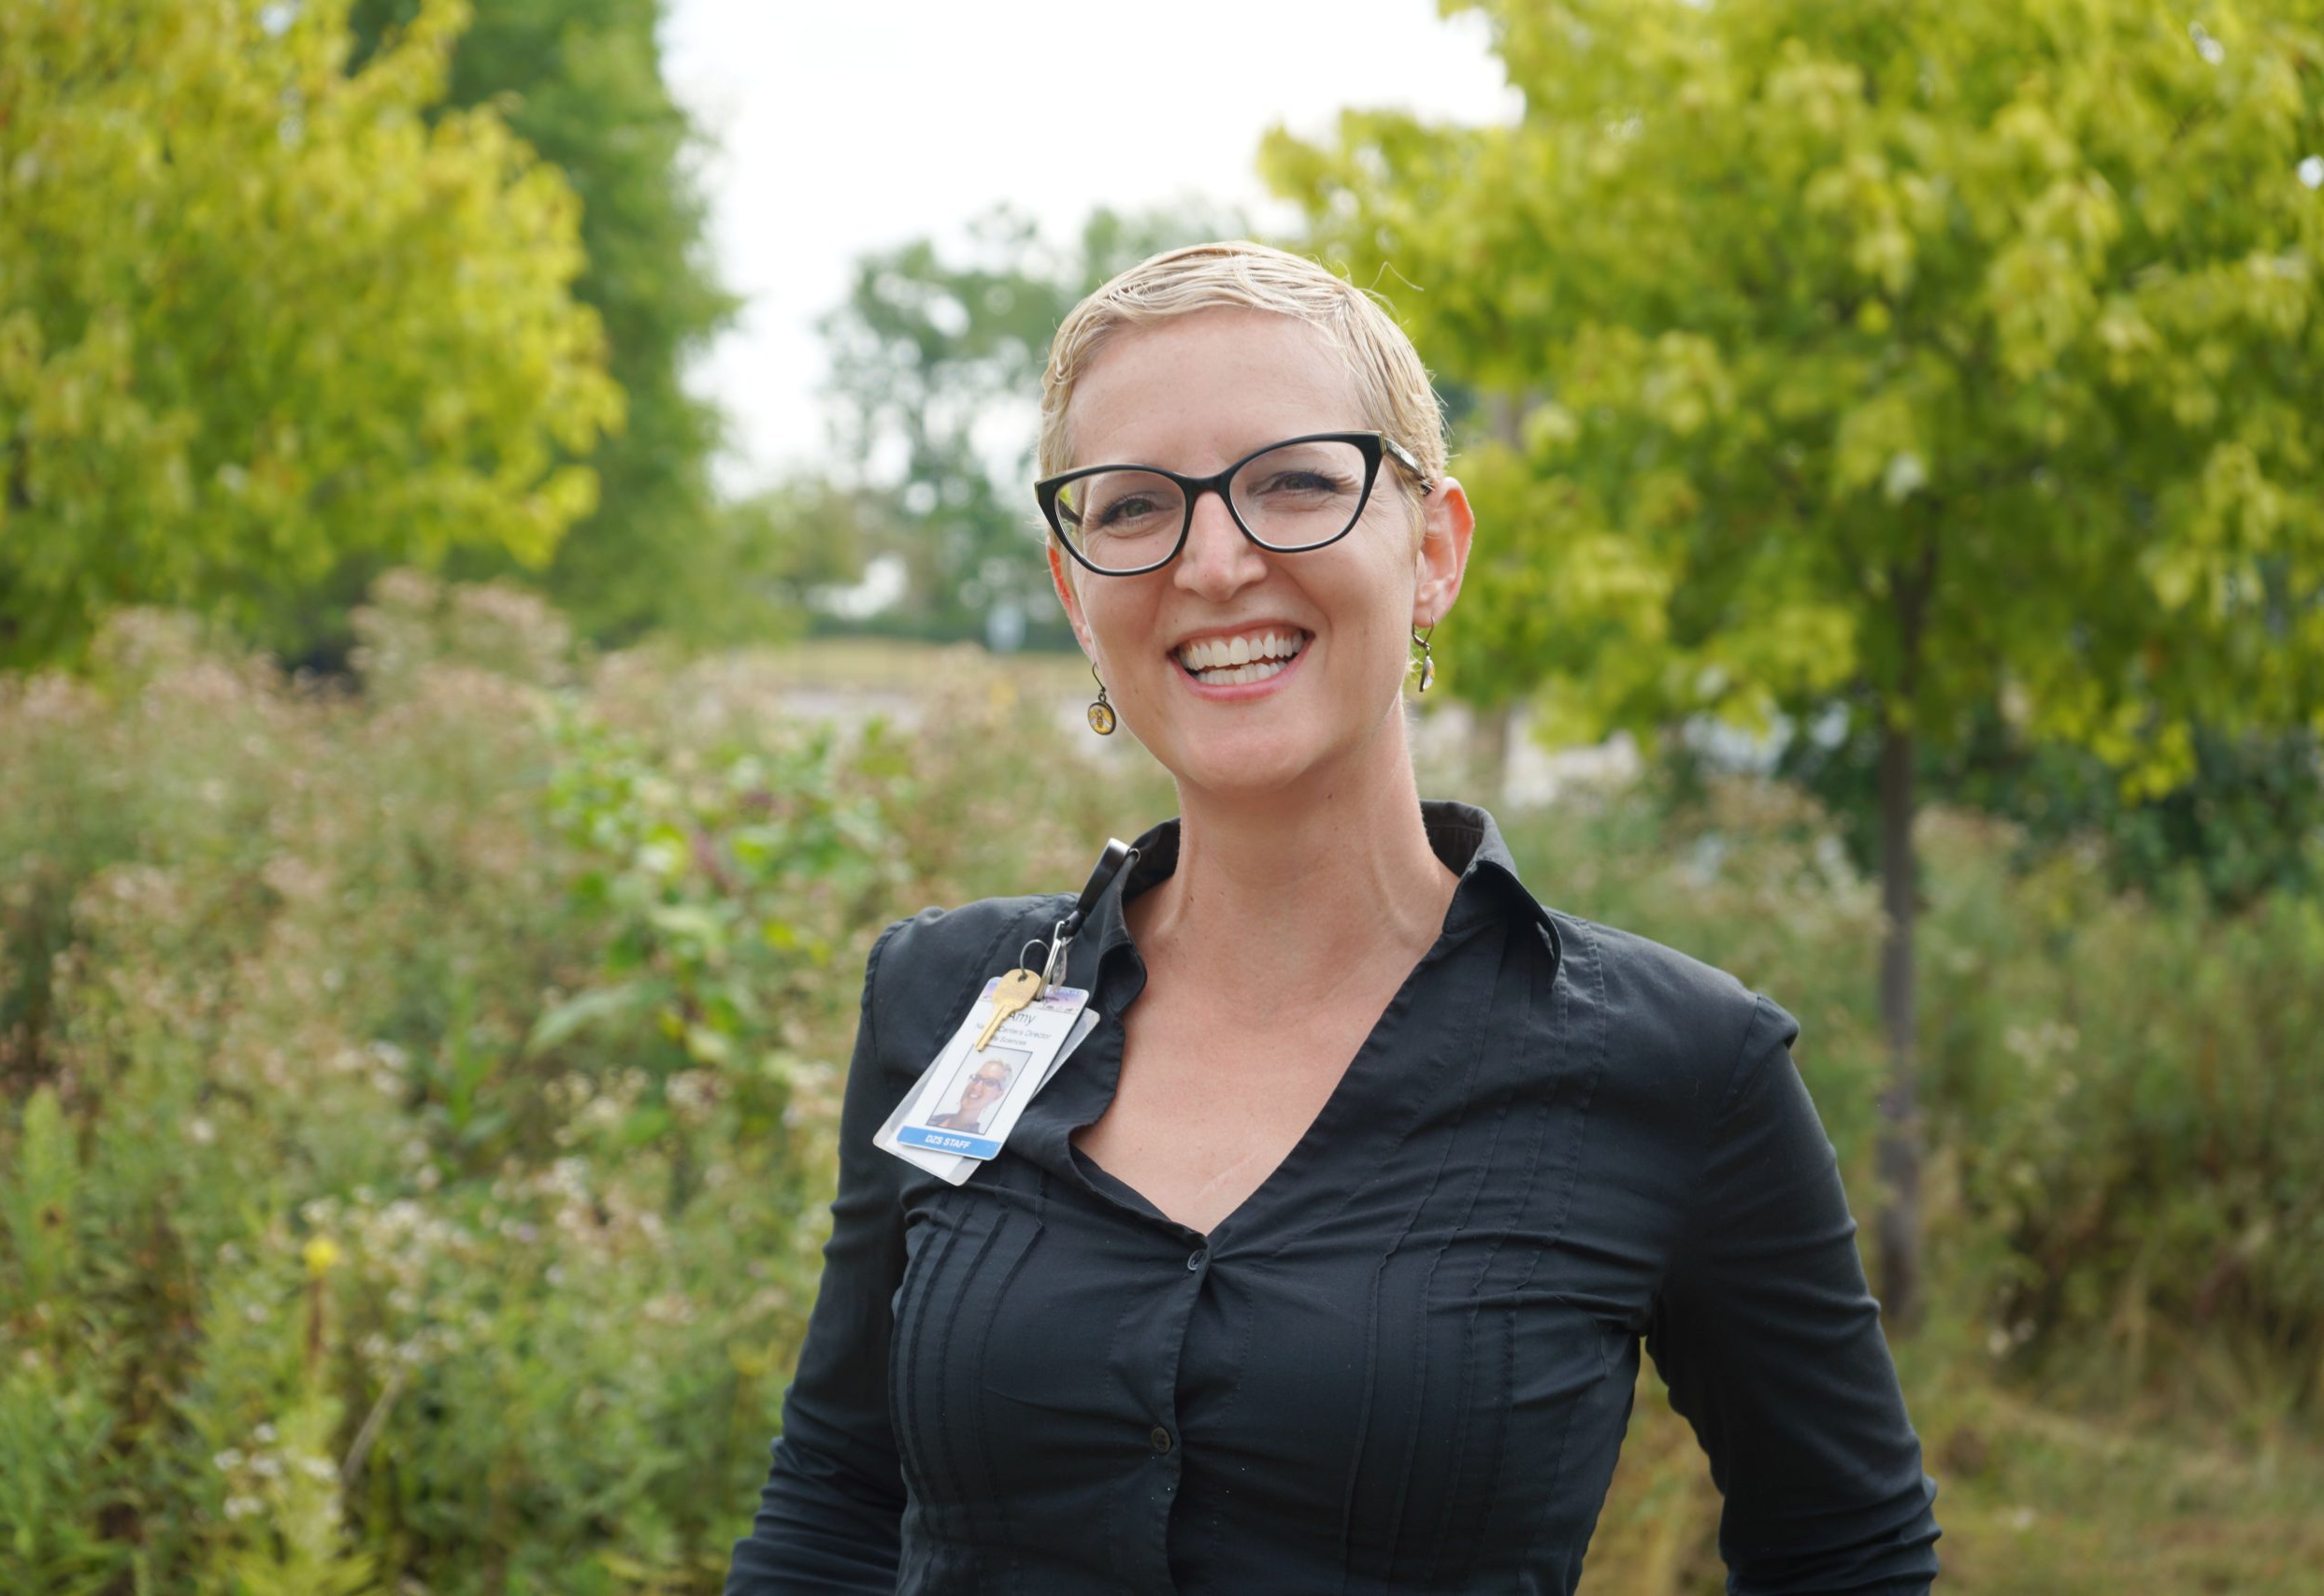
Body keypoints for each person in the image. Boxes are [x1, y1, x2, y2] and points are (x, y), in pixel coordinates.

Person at [725, 240, 1942, 1593]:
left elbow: (1848, 1550)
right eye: (1132, 508)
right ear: (1075, 592)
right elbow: (836, 1494)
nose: (1215, 560)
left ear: (1432, 551)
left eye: (1295, 483)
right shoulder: (949, 998)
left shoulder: (1680, 1066)